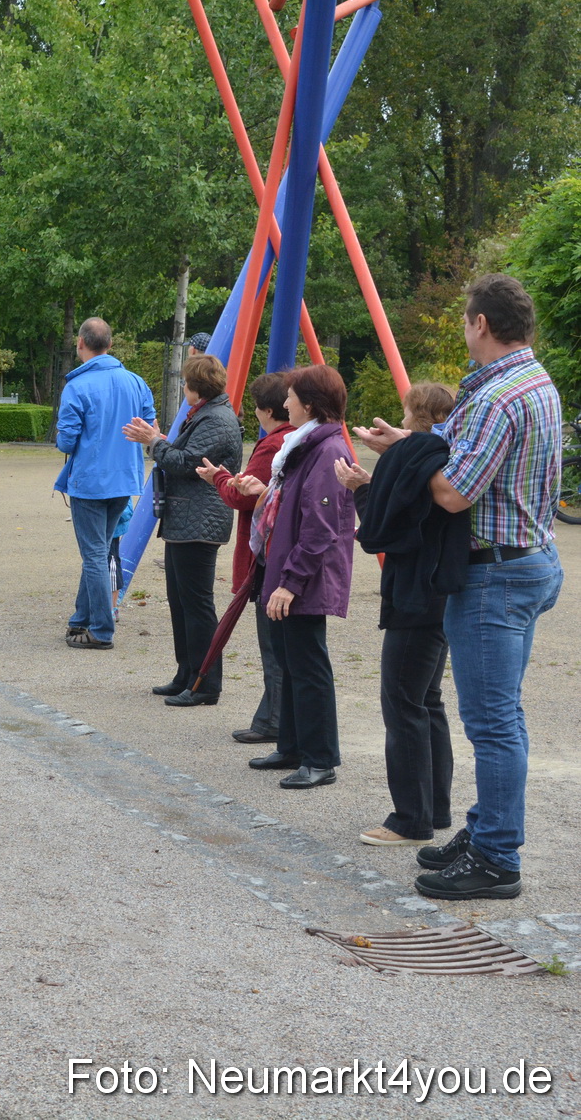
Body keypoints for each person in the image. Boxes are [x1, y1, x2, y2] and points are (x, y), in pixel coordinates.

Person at [356, 274, 563, 901]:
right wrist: (413, 444)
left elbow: (453, 491)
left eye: (465, 321)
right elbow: (470, 460)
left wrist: (408, 463)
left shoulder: (497, 396)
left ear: (480, 323)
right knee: (504, 717)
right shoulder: (537, 382)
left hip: (493, 575)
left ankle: (497, 858)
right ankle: (485, 830)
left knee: (493, 723)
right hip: (529, 559)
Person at [336, 383, 466, 847]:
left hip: (417, 593)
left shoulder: (417, 460)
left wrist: (363, 489)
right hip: (443, 590)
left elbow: (386, 529)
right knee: (427, 700)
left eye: (406, 413)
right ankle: (436, 807)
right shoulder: (448, 455)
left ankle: (411, 819)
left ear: (416, 415)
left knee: (403, 702)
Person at [228, 365, 355, 790]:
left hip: (303, 578)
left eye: (292, 397)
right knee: (291, 660)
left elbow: (320, 528)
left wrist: (290, 582)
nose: (285, 404)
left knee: (308, 664)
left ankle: (320, 758)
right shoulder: (305, 446)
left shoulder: (326, 451)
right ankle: (293, 746)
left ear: (311, 403)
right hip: (284, 570)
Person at [124, 354, 241, 706]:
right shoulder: (207, 414)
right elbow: (183, 455)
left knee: (197, 605)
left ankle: (205, 683)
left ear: (195, 387)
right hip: (187, 519)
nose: (183, 389)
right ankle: (185, 674)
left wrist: (154, 442)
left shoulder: (217, 419)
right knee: (181, 601)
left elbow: (187, 463)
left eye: (185, 384)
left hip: (200, 521)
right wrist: (159, 440)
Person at [197, 373, 293, 746]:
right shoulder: (289, 439)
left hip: (267, 554)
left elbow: (244, 496)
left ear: (267, 410)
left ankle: (274, 720)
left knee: (273, 645)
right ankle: (274, 717)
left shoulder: (273, 444)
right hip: (275, 551)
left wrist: (218, 479)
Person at [55, 317, 156, 650]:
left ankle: (101, 629)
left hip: (90, 482)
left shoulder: (77, 386)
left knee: (95, 555)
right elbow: (150, 427)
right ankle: (81, 619)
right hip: (125, 479)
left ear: (80, 343)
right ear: (110, 345)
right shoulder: (136, 382)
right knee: (98, 552)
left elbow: (66, 442)